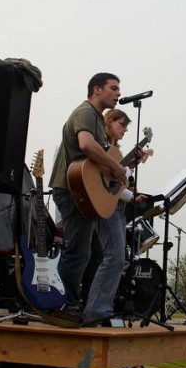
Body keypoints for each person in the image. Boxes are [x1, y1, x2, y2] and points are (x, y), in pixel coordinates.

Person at [48, 72, 127, 322]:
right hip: (70, 188)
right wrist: (116, 168)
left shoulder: (97, 118)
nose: (118, 93)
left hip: (83, 190)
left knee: (88, 253)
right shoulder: (85, 113)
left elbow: (95, 163)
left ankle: (76, 304)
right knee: (77, 251)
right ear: (96, 89)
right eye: (113, 88)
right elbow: (86, 145)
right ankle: (64, 304)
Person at [82, 108, 147, 324]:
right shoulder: (101, 147)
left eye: (127, 127)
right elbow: (99, 181)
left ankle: (102, 309)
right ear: (109, 122)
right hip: (106, 207)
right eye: (122, 125)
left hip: (117, 206)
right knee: (114, 257)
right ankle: (96, 311)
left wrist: (130, 196)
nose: (125, 130)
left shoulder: (115, 152)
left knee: (117, 259)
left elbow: (113, 184)